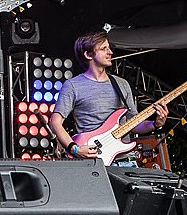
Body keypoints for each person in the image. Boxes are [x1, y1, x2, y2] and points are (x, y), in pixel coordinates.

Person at [48, 30, 167, 161]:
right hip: (94, 160)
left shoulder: (122, 84)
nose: (110, 52)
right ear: (88, 54)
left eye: (109, 48)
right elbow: (55, 123)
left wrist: (155, 124)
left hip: (125, 161)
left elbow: (133, 125)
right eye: (103, 49)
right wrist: (75, 148)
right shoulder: (72, 85)